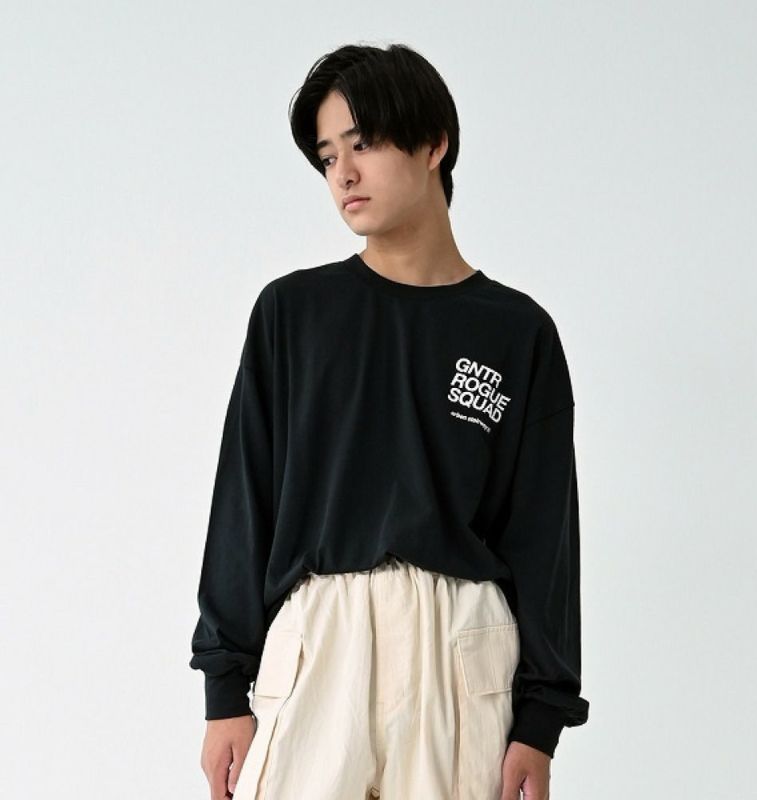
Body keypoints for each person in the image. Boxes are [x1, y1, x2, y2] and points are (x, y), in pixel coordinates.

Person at [189, 42, 589, 800]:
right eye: (327, 155)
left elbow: (544, 535)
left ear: (434, 144)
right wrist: (224, 690)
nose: (343, 173)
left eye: (364, 142)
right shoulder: (294, 314)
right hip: (319, 644)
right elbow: (244, 500)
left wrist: (541, 721)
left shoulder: (517, 333)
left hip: (460, 649)